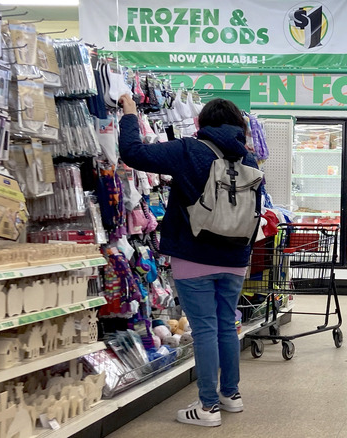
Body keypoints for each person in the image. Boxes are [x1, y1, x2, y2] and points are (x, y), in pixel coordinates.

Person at [118, 95, 257, 427]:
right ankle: (230, 395)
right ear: (238, 125)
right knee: (226, 325)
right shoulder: (248, 158)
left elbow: (132, 153)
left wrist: (128, 115)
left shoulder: (189, 151)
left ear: (200, 123)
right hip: (236, 255)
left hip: (194, 254)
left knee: (205, 328)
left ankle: (207, 407)